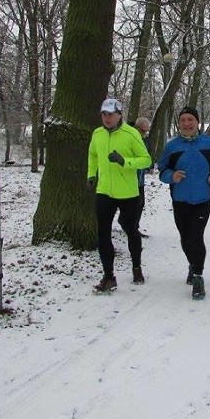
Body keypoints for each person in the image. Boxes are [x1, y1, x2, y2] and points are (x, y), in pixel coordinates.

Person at [158, 106, 210, 299]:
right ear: (179, 124)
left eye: (190, 120)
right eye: (183, 121)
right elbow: (161, 169)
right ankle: (193, 263)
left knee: (196, 236)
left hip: (202, 198)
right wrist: (172, 175)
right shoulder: (172, 146)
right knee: (185, 238)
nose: (187, 124)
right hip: (180, 200)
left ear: (197, 122)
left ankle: (198, 276)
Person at [87, 98, 152, 292]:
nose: (107, 118)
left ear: (119, 115)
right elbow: (93, 155)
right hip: (104, 191)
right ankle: (108, 277)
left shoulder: (131, 134)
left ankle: (136, 267)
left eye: (111, 114)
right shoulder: (97, 133)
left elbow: (146, 160)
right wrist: (91, 174)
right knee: (103, 233)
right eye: (104, 114)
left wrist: (125, 162)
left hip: (128, 193)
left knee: (131, 230)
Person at [133, 116, 153, 237]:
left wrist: (148, 165)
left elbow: (148, 155)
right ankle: (131, 227)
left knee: (141, 203)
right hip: (130, 179)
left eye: (147, 131)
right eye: (143, 131)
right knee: (133, 204)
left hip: (140, 179)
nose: (145, 133)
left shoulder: (145, 140)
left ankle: (134, 226)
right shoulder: (130, 138)